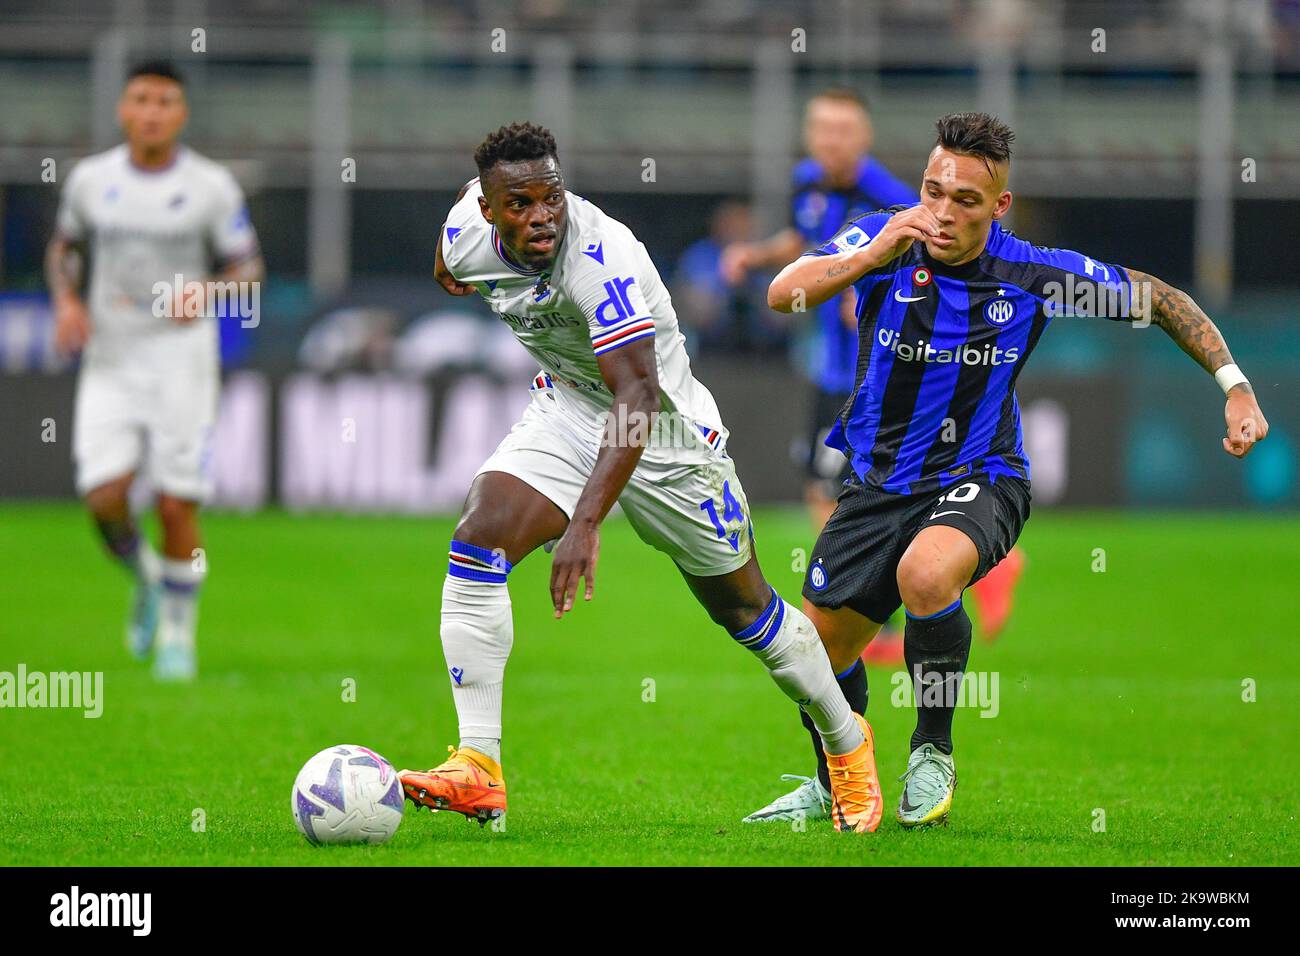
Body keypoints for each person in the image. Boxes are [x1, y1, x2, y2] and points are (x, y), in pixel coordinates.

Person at [762, 111, 1268, 828]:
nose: (942, 212)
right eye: (933, 191)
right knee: (818, 653)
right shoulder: (881, 238)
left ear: (997, 206)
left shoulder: (1034, 276)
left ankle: (932, 751)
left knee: (926, 575)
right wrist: (867, 258)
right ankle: (832, 781)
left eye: (964, 200)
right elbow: (785, 293)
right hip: (877, 484)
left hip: (983, 471)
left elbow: (1160, 300)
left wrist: (1236, 387)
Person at [399, 123, 882, 833]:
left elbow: (638, 397)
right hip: (567, 405)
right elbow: (449, 269)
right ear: (488, 210)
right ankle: (479, 762)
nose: (541, 216)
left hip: (667, 438)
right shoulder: (464, 234)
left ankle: (848, 745)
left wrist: (586, 522)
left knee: (746, 612)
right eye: (521, 203)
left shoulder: (601, 254)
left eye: (550, 198)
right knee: (479, 538)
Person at [45, 60, 264, 681]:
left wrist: (209, 290)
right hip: (110, 358)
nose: (152, 111)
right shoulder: (92, 180)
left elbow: (248, 270)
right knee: (104, 497)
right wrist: (65, 300)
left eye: (164, 101)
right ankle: (144, 577)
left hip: (181, 362)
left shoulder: (211, 186)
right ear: (122, 108)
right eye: (141, 99)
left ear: (181, 113)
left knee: (175, 504)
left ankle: (177, 635)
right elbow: (65, 246)